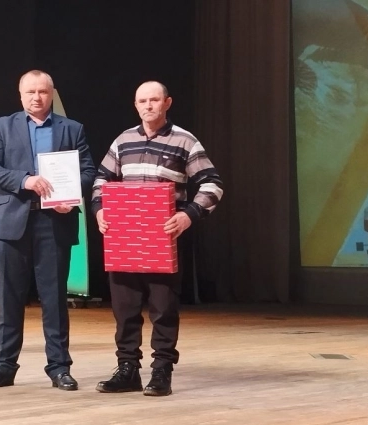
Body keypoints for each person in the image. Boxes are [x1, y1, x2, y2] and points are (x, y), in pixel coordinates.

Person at [91, 81, 223, 396]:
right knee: (124, 308)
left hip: (163, 238)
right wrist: (99, 209)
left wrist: (189, 214)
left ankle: (162, 370)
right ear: (135, 105)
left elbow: (213, 184)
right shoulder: (123, 140)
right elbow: (101, 179)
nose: (148, 106)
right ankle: (127, 369)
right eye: (142, 101)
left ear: (167, 103)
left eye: (154, 100)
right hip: (124, 237)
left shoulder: (185, 140)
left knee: (163, 308)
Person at [0, 70, 95, 391]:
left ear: (51, 93)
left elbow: (88, 171)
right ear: (20, 95)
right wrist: (24, 180)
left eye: (42, 91)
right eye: (30, 92)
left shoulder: (72, 128)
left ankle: (59, 367)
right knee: (9, 297)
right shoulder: (3, 126)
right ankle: (4, 366)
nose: (36, 97)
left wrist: (71, 197)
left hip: (54, 222)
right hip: (10, 222)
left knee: (54, 298)